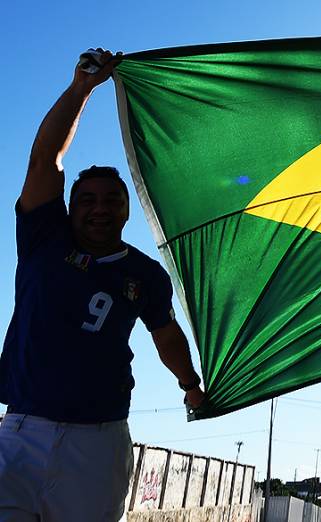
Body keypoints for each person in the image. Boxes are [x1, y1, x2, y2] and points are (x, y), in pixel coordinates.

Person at [0, 49, 205, 521]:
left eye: (112, 200)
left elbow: (165, 334)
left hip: (99, 439)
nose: (99, 208)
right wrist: (80, 90)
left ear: (127, 210)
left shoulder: (145, 274)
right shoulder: (42, 239)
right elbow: (44, 159)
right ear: (69, 206)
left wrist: (189, 385)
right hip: (22, 430)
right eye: (86, 199)